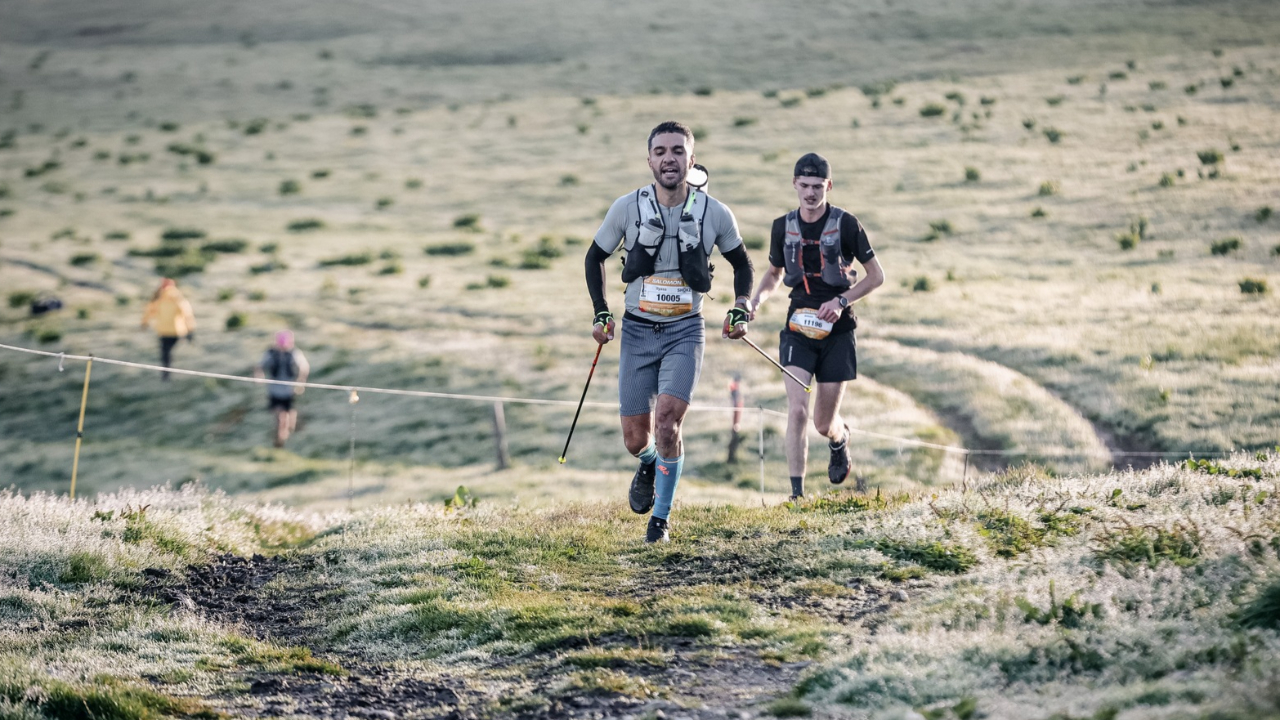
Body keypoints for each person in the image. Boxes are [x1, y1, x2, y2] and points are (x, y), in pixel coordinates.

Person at [584, 120, 754, 543]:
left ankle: (660, 518)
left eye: (678, 151)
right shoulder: (627, 207)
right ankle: (647, 463)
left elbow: (743, 265)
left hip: (685, 331)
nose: (669, 159)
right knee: (634, 438)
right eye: (660, 152)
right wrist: (601, 313)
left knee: (668, 423)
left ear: (691, 160)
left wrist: (740, 308)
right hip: (638, 331)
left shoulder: (715, 213)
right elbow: (594, 257)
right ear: (649, 161)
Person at [748, 153, 885, 500]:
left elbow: (876, 276)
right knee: (796, 410)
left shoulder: (847, 224)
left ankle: (840, 439)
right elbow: (775, 273)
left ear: (829, 186)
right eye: (804, 186)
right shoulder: (782, 226)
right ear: (794, 184)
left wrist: (840, 302)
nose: (810, 193)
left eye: (817, 186)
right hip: (797, 328)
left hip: (838, 332)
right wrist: (754, 301)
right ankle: (797, 494)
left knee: (823, 423)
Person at [253, 331, 310, 448]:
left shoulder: (294, 353)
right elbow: (259, 366)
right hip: (274, 391)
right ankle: (280, 438)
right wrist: (259, 376)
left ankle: (286, 435)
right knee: (280, 417)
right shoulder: (271, 353)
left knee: (288, 416)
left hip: (288, 391)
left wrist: (300, 382)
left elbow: (304, 367)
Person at [140, 278, 195, 380]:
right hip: (174, 331)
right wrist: (190, 330)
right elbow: (187, 315)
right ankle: (168, 373)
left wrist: (144, 323)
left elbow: (149, 311)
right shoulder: (176, 299)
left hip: (167, 331)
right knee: (167, 353)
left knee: (165, 353)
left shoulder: (160, 299)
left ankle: (167, 373)